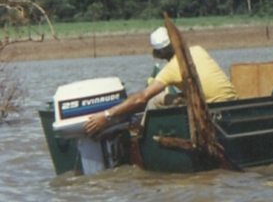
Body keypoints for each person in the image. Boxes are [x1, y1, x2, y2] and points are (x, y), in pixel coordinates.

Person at [84, 27, 237, 136]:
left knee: (155, 101)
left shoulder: (170, 69)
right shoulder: (198, 49)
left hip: (209, 111)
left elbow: (142, 97)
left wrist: (106, 115)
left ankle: (142, 136)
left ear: (159, 54)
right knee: (173, 98)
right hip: (232, 104)